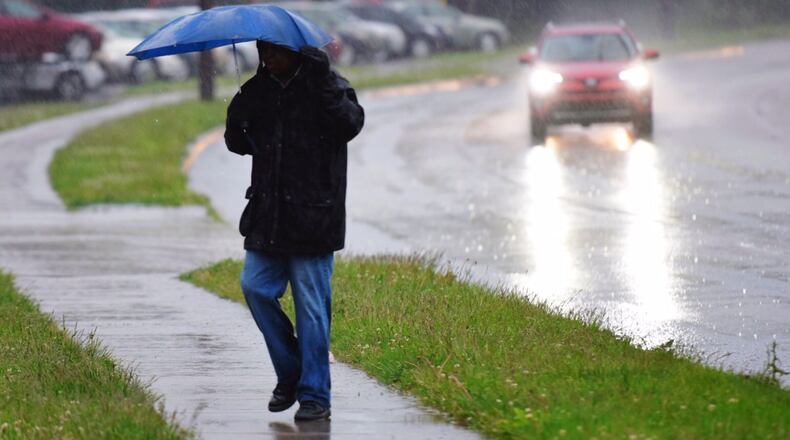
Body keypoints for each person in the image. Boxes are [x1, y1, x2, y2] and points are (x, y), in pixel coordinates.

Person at [224, 40, 365, 421]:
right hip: (267, 216)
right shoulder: (259, 90)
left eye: (276, 53)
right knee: (255, 287)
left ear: (298, 54)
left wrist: (320, 81)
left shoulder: (330, 87)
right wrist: (237, 110)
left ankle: (315, 396)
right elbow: (237, 143)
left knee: (312, 311)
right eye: (263, 53)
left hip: (314, 219)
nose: (269, 60)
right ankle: (291, 373)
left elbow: (350, 124)